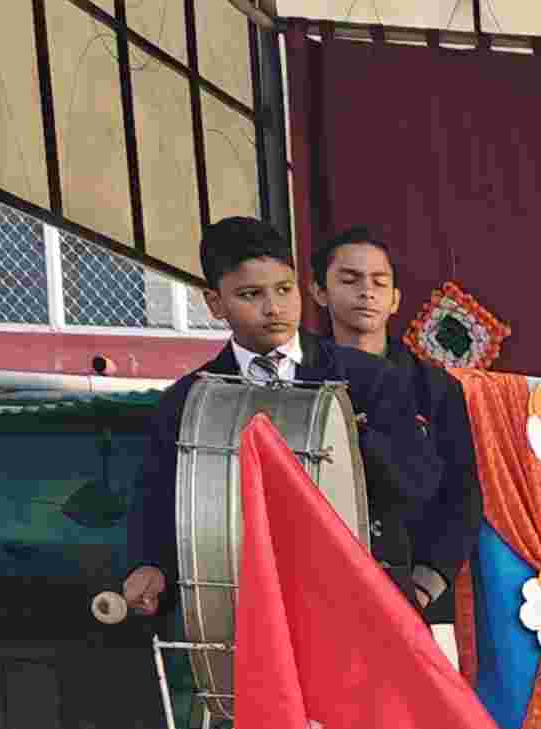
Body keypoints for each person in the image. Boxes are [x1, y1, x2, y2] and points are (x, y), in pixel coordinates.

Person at [116, 215, 445, 620]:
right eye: (250, 294)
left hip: (363, 604)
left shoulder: (370, 379)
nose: (273, 308)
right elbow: (156, 504)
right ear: (215, 303)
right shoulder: (188, 400)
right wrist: (148, 566)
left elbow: (418, 485)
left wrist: (349, 437)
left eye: (284, 289)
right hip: (244, 606)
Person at [313, 225, 478, 615]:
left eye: (379, 282)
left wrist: (424, 584)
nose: (366, 292)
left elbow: (463, 492)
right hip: (319, 584)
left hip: (410, 591)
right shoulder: (303, 379)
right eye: (349, 280)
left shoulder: (435, 388)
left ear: (395, 299)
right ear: (319, 292)